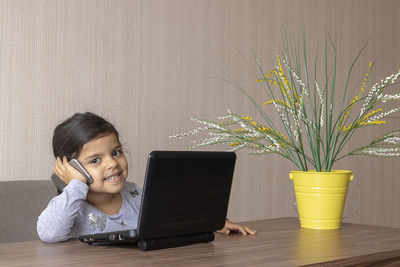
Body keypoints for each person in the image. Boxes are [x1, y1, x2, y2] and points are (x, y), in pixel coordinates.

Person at [37, 112, 256, 243]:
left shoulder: (133, 192)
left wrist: (212, 223)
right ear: (70, 167)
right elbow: (49, 234)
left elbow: (169, 218)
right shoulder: (68, 204)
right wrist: (76, 184)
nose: (112, 163)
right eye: (95, 160)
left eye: (116, 152)